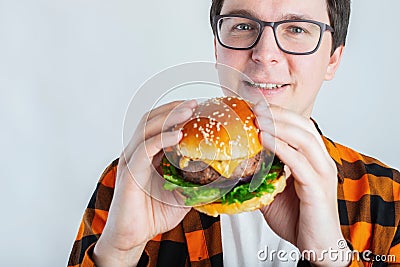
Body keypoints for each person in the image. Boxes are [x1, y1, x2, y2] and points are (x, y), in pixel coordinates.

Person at [68, 0, 400, 266]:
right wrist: (119, 252)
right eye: (243, 26)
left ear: (332, 59)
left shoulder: (390, 200)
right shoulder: (132, 181)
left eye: (297, 28)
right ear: (217, 48)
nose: (264, 54)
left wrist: (332, 259)